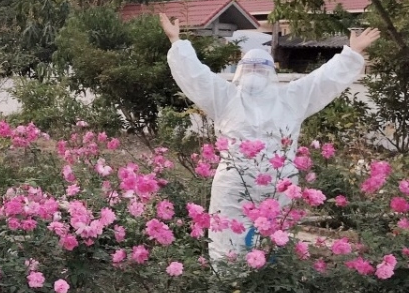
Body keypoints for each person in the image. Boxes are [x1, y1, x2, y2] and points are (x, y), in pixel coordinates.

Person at [161, 14, 380, 263]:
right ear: (241, 70)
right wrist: (176, 42)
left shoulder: (290, 99)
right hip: (233, 187)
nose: (255, 73)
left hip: (279, 186)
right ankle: (225, 289)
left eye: (260, 68)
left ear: (271, 72)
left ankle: (271, 291)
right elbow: (197, 77)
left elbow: (321, 82)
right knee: (226, 243)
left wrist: (351, 53)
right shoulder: (225, 97)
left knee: (276, 241)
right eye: (250, 68)